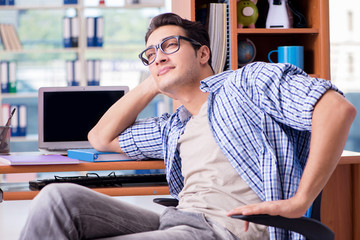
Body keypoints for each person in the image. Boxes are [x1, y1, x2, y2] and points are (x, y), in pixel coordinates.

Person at [20, 13, 356, 240]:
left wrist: (299, 202)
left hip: (228, 228)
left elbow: (336, 109)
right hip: (180, 219)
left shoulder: (248, 82)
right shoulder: (173, 127)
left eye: (169, 46)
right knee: (57, 198)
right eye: (150, 54)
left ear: (203, 54)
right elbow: (99, 138)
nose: (159, 57)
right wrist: (156, 77)